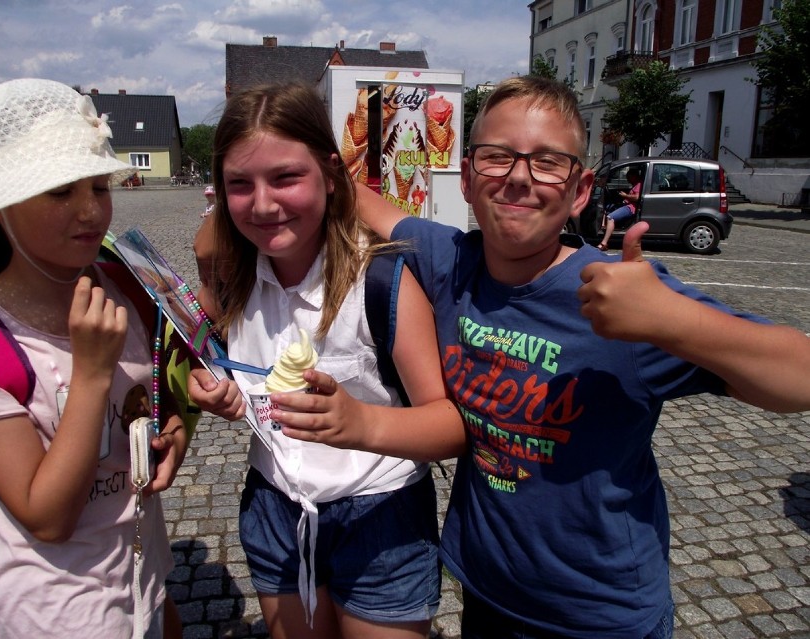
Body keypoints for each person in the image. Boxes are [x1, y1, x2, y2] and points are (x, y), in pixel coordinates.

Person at [274, 76, 810, 638]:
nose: (520, 177)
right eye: (497, 157)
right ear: (467, 177)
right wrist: (221, 237)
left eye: (548, 162)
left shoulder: (619, 294)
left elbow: (798, 377)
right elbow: (358, 198)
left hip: (601, 614)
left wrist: (673, 320)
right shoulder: (451, 259)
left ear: (580, 191)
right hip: (487, 594)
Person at [187, 83, 464, 639]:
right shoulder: (235, 272)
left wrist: (363, 423)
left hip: (380, 514)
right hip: (275, 506)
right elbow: (215, 346)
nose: (263, 204)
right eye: (238, 184)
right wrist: (218, 387)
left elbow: (452, 427)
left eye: (286, 177)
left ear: (331, 173)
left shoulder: (382, 279)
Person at [0, 78, 187, 638]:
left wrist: (172, 431)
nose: (90, 210)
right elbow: (46, 515)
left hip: (141, 582)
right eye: (61, 192)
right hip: (53, 610)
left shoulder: (124, 284)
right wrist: (90, 374)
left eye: (99, 187)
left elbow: (145, 405)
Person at [597, 166, 641, 251]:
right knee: (607, 207)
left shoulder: (639, 184)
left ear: (634, 176)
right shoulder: (635, 185)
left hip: (631, 208)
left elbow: (636, 197)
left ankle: (604, 243)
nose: (628, 179)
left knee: (611, 217)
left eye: (629, 177)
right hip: (627, 205)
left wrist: (625, 196)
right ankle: (603, 226)